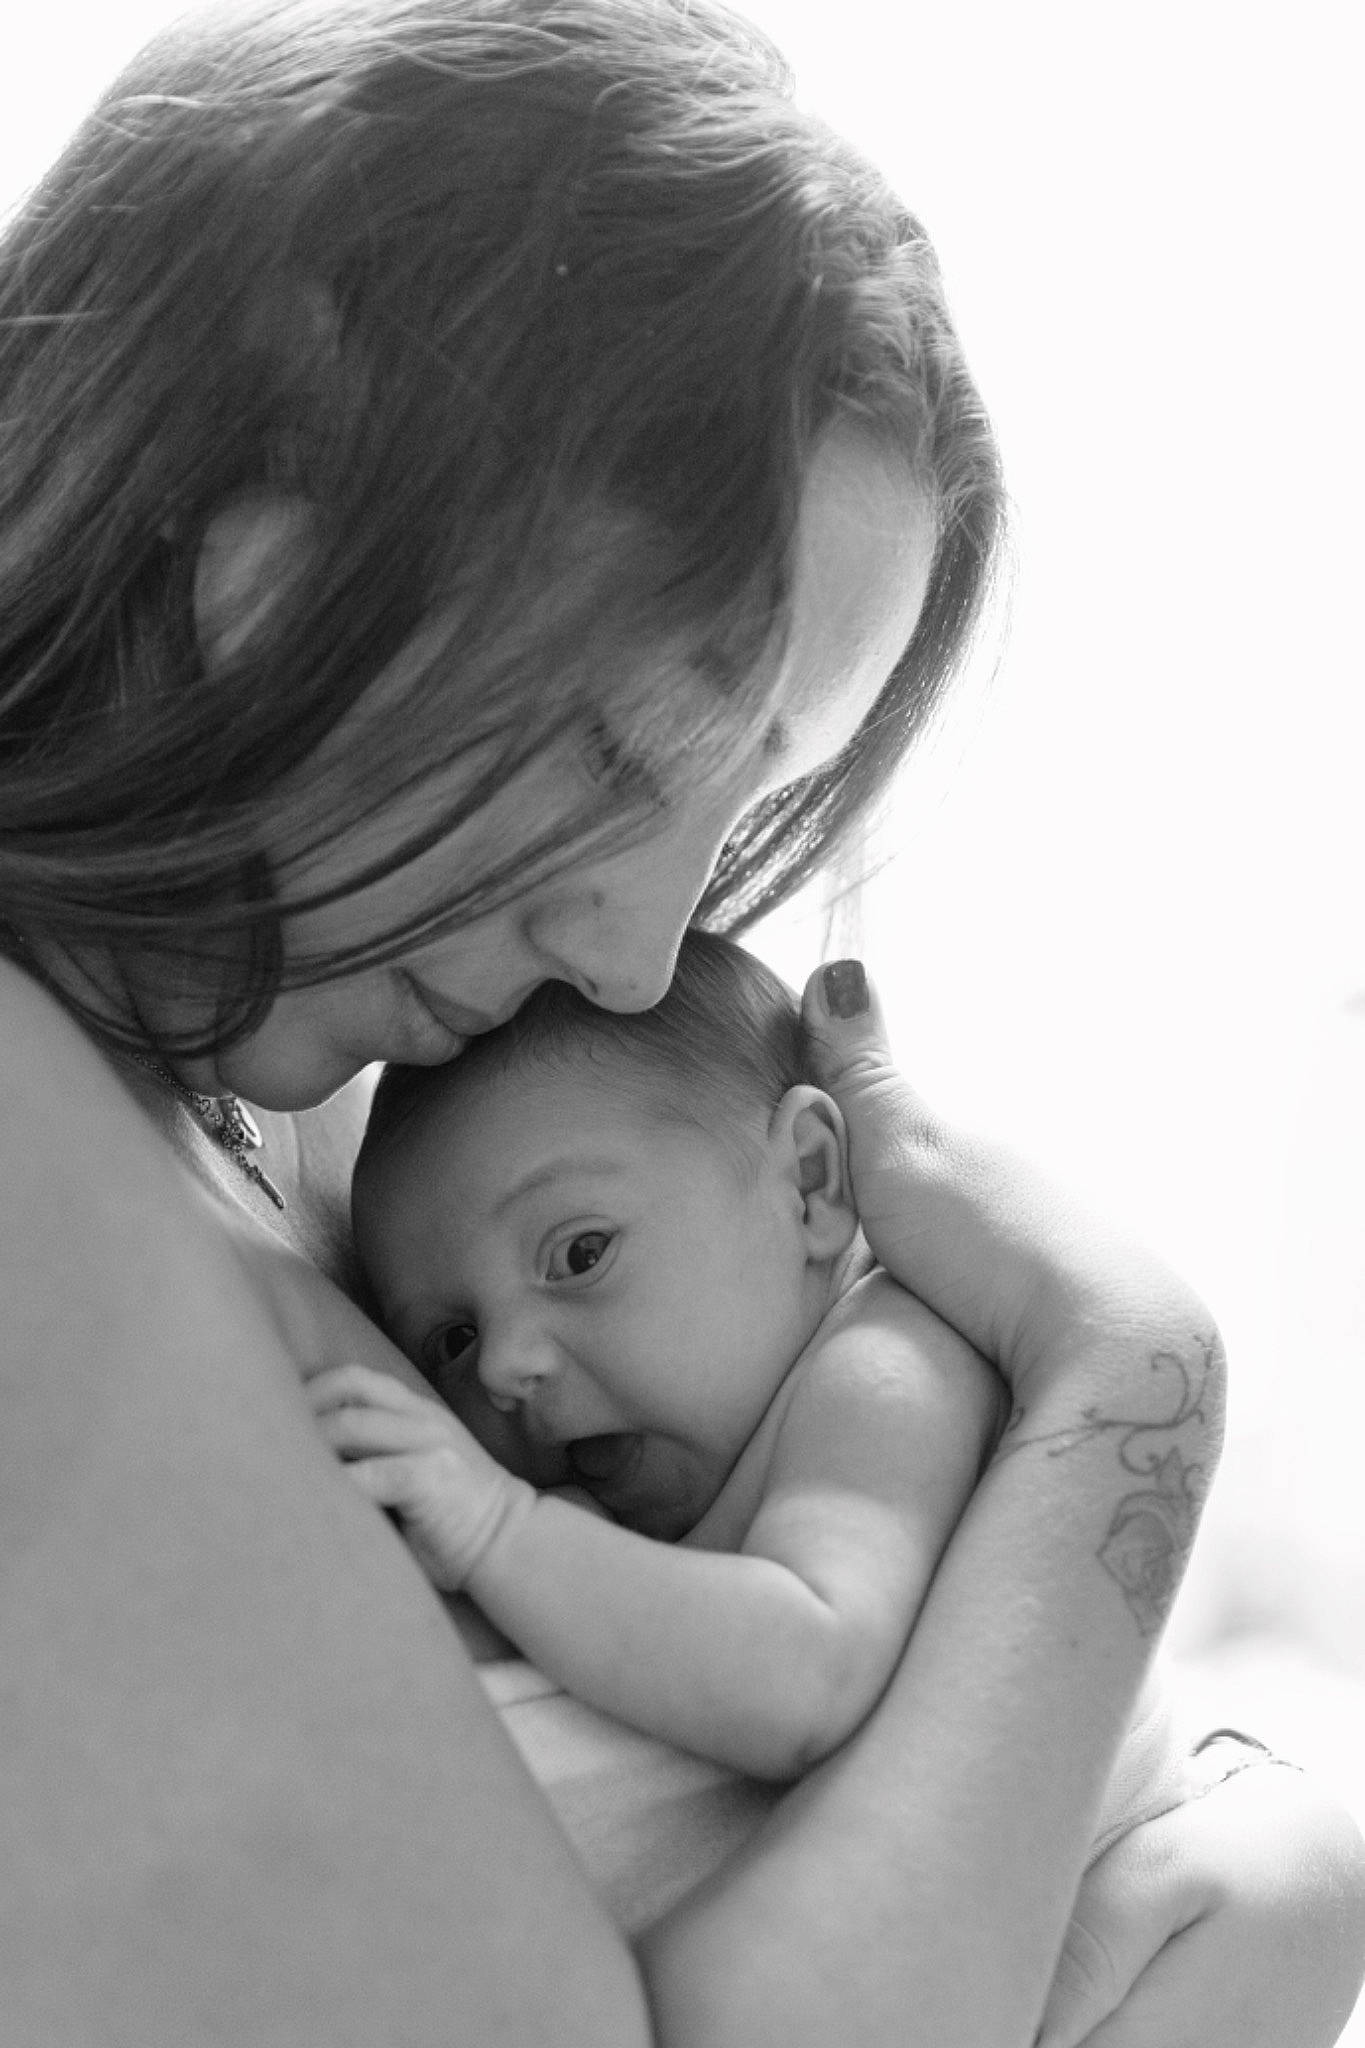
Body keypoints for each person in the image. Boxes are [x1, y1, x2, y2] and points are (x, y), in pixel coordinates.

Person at [0, 2, 1361, 2044]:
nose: (641, 956)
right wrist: (1121, 1389)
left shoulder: (253, 1125)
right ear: (262, 548)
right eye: (619, 746)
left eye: (732, 817)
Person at [317, 931, 1193, 1842]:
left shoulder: (885, 1368)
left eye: (578, 1253)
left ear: (809, 1182)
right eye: (450, 1338)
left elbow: (809, 1674)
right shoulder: (699, 1445)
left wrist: (503, 1531)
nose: (502, 1365)